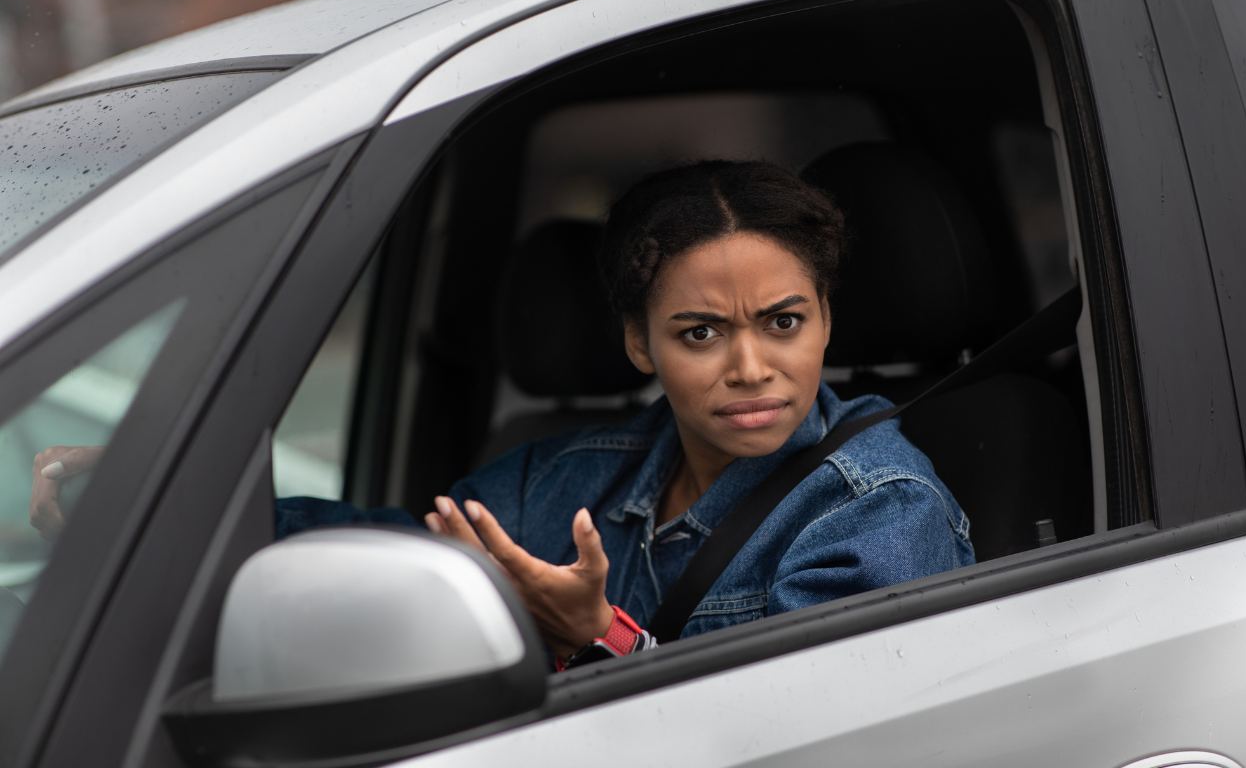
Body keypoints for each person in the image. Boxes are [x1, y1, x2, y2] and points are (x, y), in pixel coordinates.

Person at [34, 161, 975, 669]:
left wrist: (598, 634)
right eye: (699, 333)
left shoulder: (879, 510)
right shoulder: (565, 477)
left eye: (783, 322)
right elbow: (392, 556)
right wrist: (156, 513)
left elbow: (799, 734)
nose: (751, 367)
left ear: (825, 322)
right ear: (640, 346)